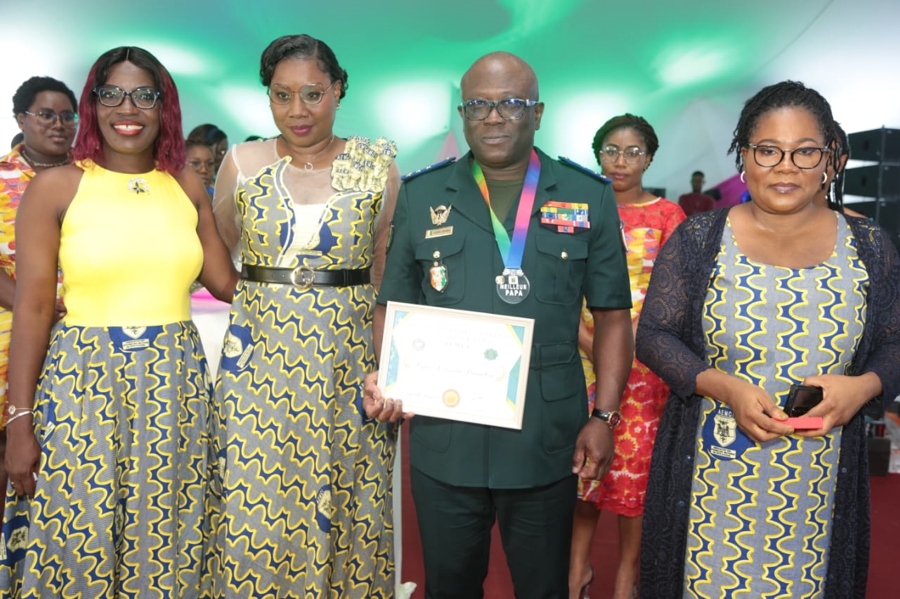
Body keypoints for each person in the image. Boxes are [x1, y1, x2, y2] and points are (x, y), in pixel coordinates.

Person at [365, 51, 633, 599]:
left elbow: (611, 316)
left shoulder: (588, 196)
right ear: (463, 115)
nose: (493, 117)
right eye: (478, 105)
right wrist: (391, 379)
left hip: (547, 438)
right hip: (447, 440)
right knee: (450, 586)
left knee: (542, 587)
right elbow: (391, 304)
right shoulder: (421, 196)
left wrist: (604, 415)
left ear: (538, 112)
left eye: (510, 104)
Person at [636, 80, 900, 598]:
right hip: (714, 477)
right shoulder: (698, 239)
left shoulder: (870, 245)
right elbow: (654, 335)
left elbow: (895, 343)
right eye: (768, 150)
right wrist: (723, 386)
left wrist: (862, 387)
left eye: (805, 152)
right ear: (744, 158)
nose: (785, 166)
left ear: (833, 160)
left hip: (818, 481)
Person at [0, 46, 237, 597]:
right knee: (77, 540)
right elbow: (33, 308)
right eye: (112, 94)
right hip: (82, 387)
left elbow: (229, 285)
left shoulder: (185, 185)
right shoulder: (56, 187)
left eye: (144, 95)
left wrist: (326, 280)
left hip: (175, 390)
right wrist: (18, 422)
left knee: (169, 541)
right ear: (93, 102)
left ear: (164, 106)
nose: (127, 107)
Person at [209, 34, 400, 598]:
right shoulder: (242, 163)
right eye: (282, 95)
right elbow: (222, 249)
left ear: (338, 90)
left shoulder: (377, 164)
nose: (297, 111)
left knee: (348, 500)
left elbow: (386, 276)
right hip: (258, 368)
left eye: (313, 94)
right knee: (255, 506)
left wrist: (387, 366)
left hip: (348, 366)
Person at [569, 114, 685, 599]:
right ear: (598, 154)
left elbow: (677, 294)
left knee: (635, 480)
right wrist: (591, 343)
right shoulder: (574, 209)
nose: (621, 160)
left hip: (645, 367)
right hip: (581, 356)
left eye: (633, 151)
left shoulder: (668, 216)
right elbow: (564, 284)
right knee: (582, 473)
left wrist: (634, 346)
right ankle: (576, 572)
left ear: (650, 158)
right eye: (611, 150)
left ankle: (625, 579)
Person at [0, 76, 78, 517]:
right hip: (14, 325)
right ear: (20, 118)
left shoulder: (90, 177)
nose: (59, 125)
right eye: (46, 115)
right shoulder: (1, 178)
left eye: (67, 116)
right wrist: (42, 315)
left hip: (85, 331)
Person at [815, 122, 865, 218]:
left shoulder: (861, 230)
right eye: (804, 152)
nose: (815, 166)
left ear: (840, 163)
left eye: (828, 156)